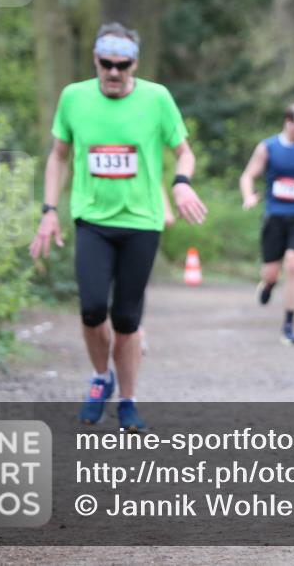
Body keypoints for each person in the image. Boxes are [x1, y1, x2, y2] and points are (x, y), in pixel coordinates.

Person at [29, 22, 207, 432]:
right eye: (105, 64)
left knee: (126, 320)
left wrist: (181, 185)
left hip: (141, 223)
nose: (112, 72)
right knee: (92, 309)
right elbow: (58, 156)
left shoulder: (156, 98)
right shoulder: (73, 98)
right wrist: (49, 209)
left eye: (121, 65)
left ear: (135, 64)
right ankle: (99, 378)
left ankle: (128, 400)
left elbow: (184, 152)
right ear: (95, 60)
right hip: (92, 220)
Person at [239, 104, 294, 346]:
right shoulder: (268, 147)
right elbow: (248, 175)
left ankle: (288, 324)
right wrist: (248, 196)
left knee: (293, 264)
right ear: (288, 122)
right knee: (271, 271)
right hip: (275, 215)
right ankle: (268, 283)